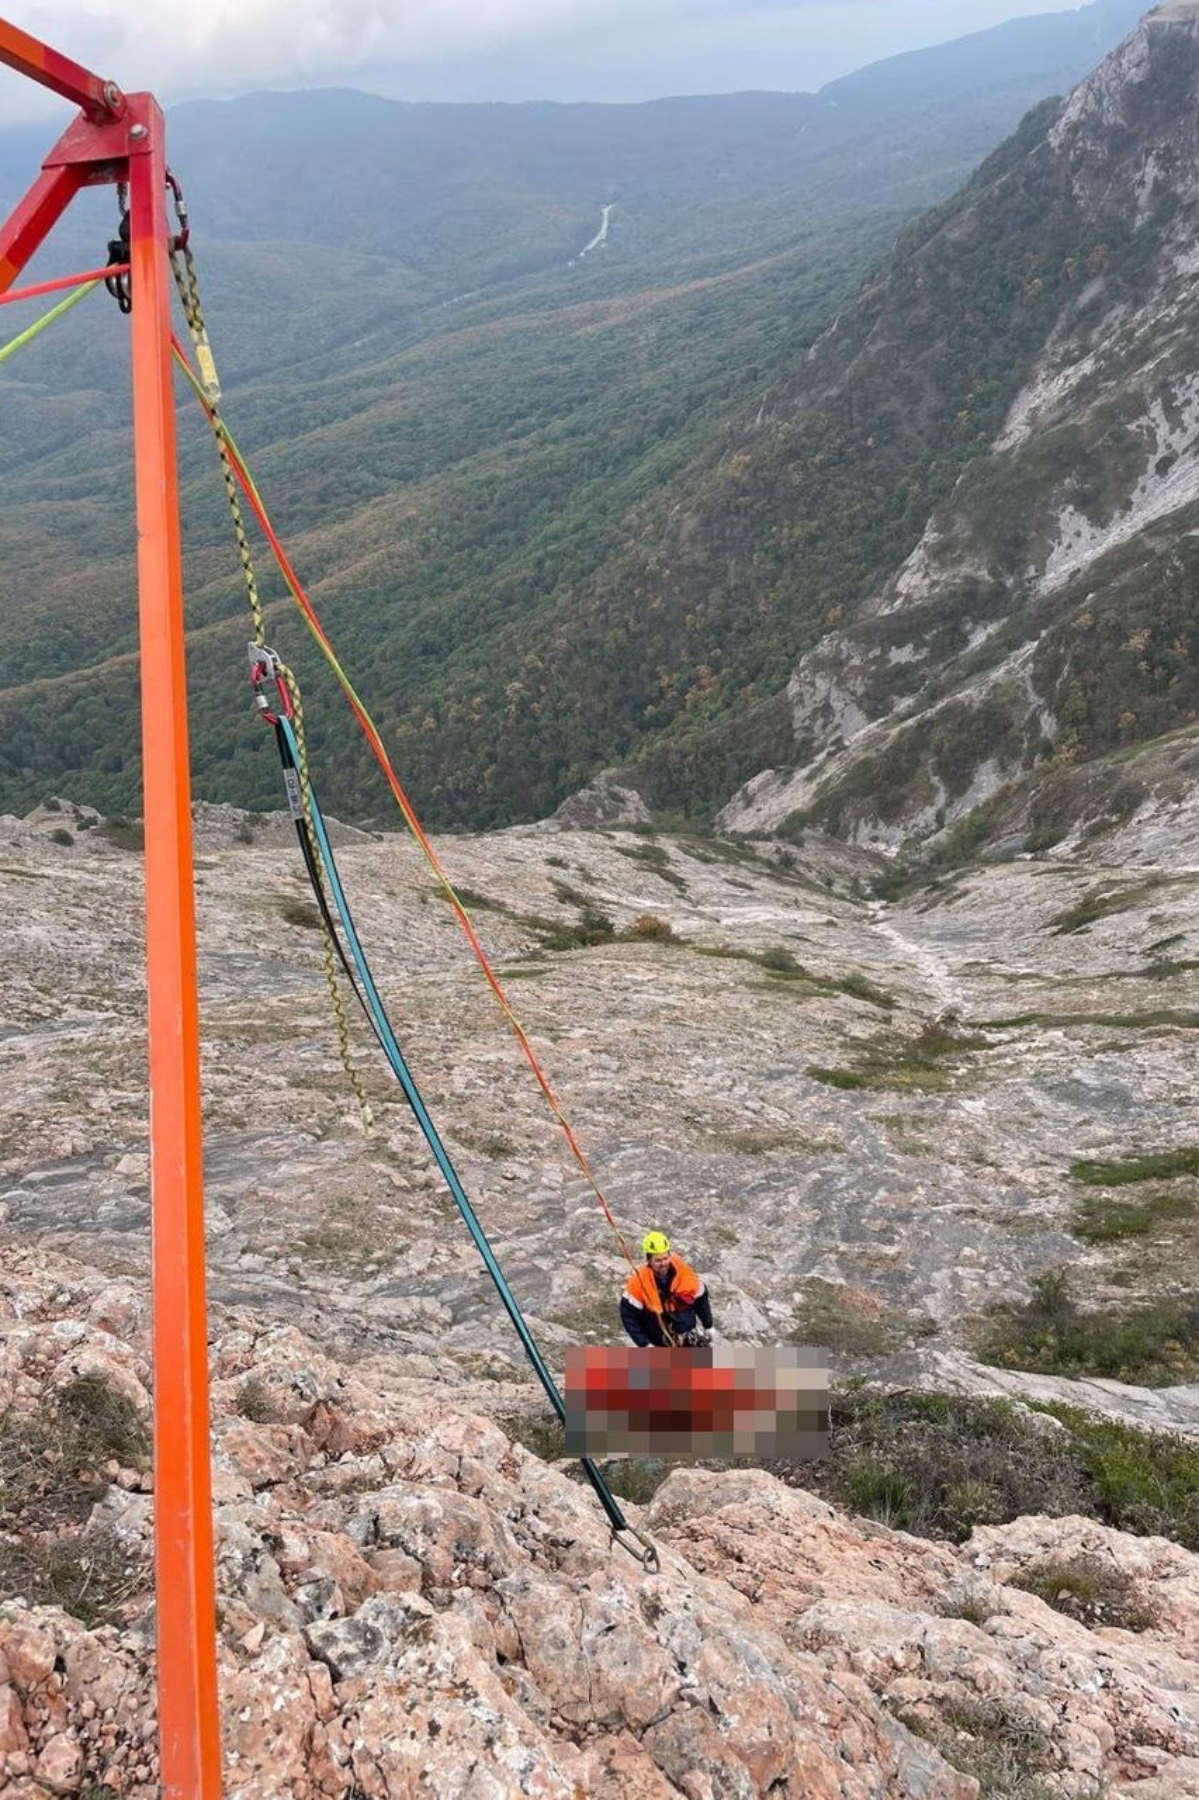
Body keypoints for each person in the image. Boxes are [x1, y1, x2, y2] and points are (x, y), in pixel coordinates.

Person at [620, 1231, 714, 1348]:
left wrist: (708, 1325)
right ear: (649, 1261)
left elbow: (701, 1298)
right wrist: (644, 1343)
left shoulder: (683, 1272)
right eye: (658, 1260)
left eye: (665, 1258)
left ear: (669, 1255)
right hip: (660, 1342)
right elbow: (628, 1315)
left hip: (687, 1336)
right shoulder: (639, 1283)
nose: (663, 1263)